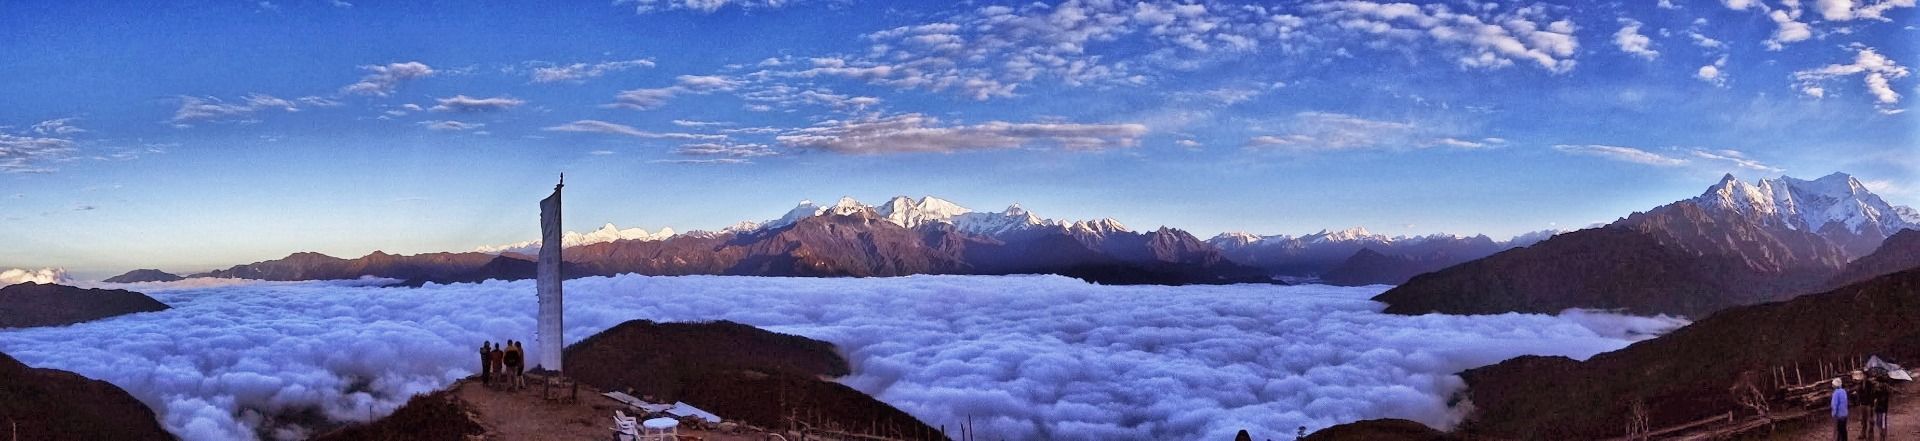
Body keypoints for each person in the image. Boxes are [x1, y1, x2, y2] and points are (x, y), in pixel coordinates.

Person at [1873, 376, 1891, 441]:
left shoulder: (1885, 390)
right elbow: (1874, 396)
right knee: (1878, 423)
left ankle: (1883, 436)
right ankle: (1882, 435)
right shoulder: (1877, 389)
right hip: (1878, 409)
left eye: (1877, 382)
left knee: (1882, 423)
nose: (1877, 384)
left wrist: (1878, 393)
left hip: (1883, 409)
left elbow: (1883, 399)